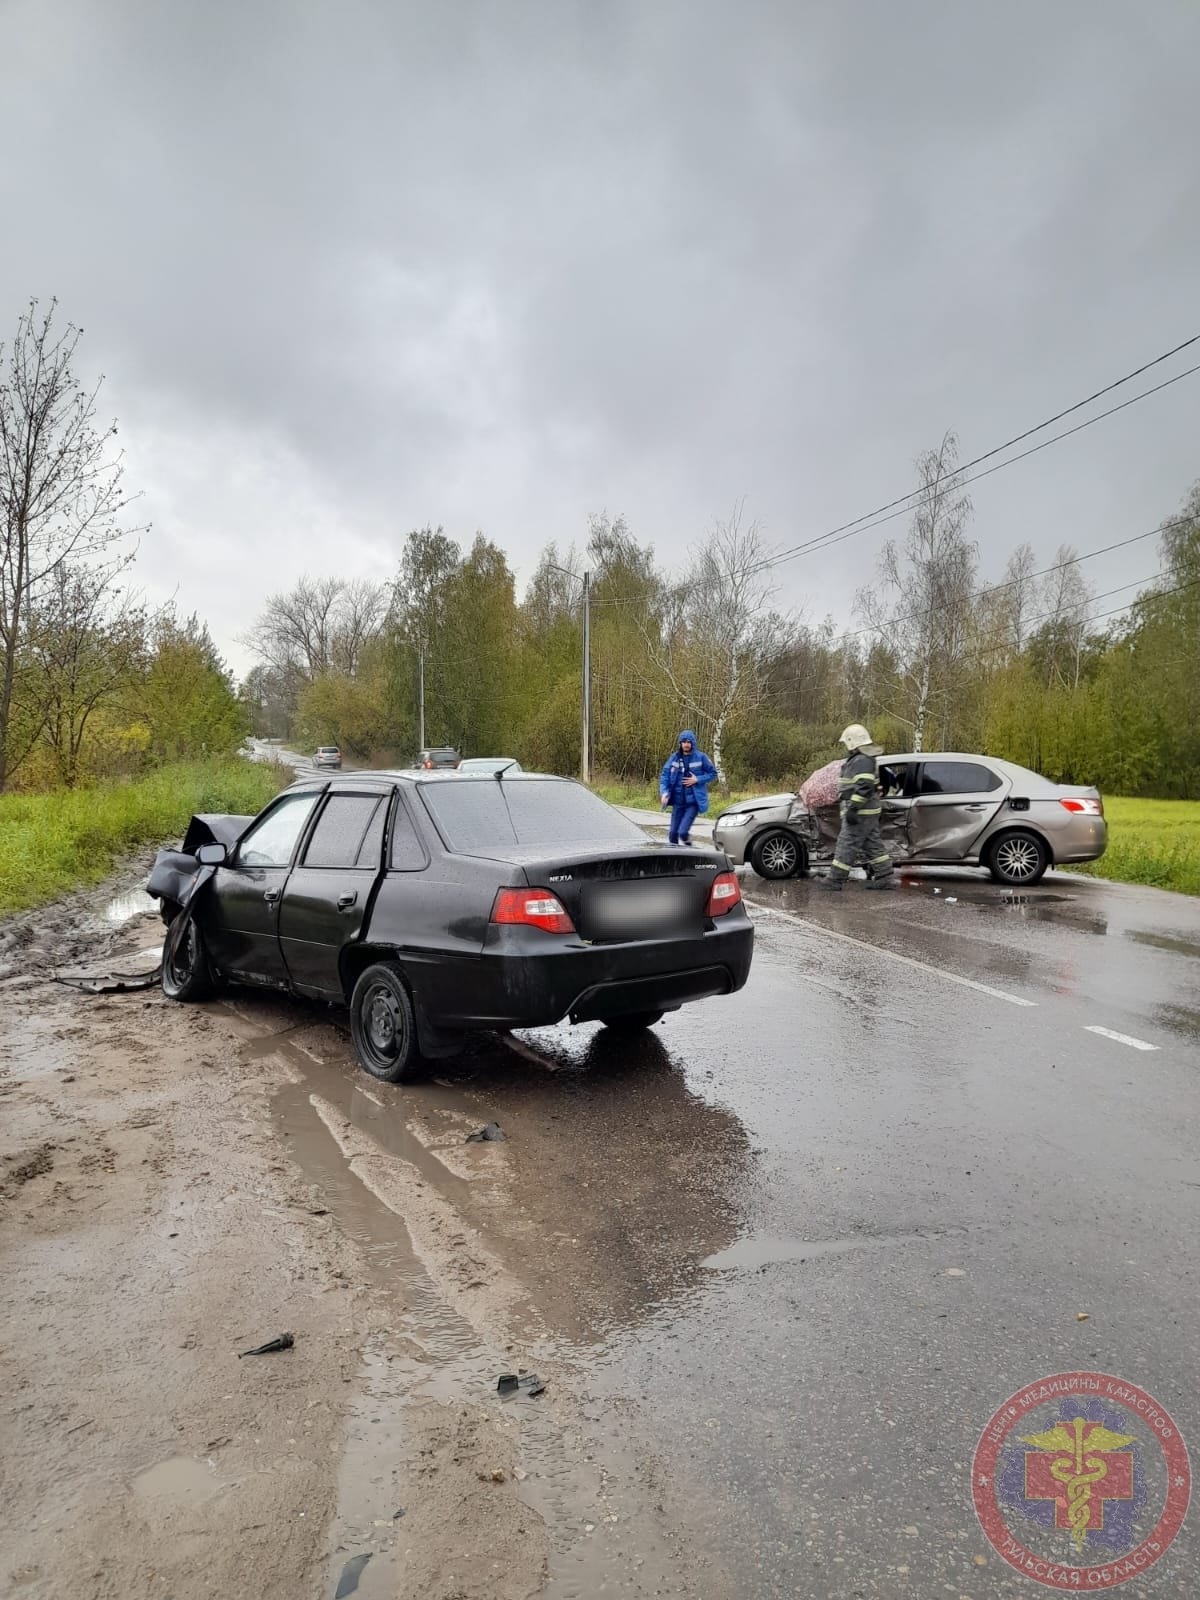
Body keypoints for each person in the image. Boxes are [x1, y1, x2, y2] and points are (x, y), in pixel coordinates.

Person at [817, 723, 896, 891]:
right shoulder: (863, 758)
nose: (846, 746)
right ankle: (885, 876)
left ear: (853, 742)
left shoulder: (862, 760)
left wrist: (853, 808)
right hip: (867, 810)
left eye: (847, 742)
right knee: (871, 843)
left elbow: (864, 786)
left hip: (861, 811)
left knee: (846, 843)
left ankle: (835, 879)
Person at [659, 730, 717, 846]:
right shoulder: (674, 758)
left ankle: (689, 851)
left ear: (693, 743)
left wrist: (698, 779)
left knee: (683, 832)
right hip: (678, 802)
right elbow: (665, 775)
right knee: (673, 834)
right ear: (680, 743)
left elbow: (713, 774)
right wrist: (664, 793)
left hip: (693, 803)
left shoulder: (701, 757)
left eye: (689, 742)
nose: (686, 744)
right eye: (684, 742)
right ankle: (674, 859)